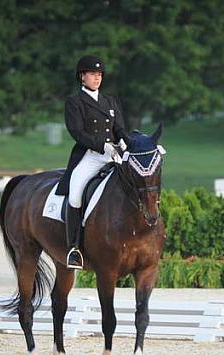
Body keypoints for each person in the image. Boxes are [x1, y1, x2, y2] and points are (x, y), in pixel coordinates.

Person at [55, 54, 131, 269]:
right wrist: (101, 145)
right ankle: (74, 248)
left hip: (113, 154)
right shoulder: (75, 102)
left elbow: (120, 128)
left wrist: (127, 143)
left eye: (99, 74)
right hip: (89, 155)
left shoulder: (110, 101)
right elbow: (77, 132)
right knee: (76, 191)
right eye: (92, 74)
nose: (97, 78)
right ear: (82, 77)